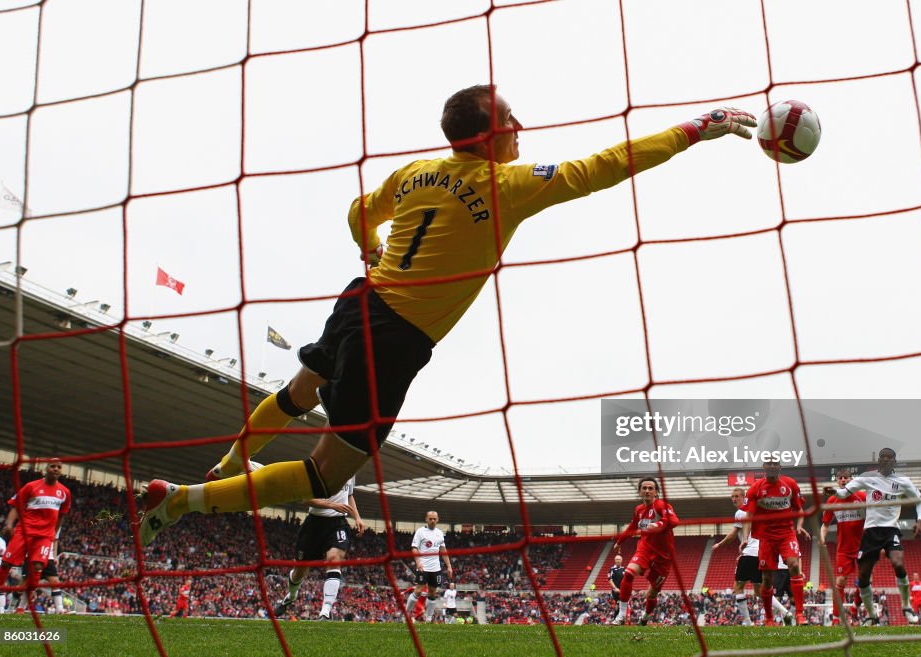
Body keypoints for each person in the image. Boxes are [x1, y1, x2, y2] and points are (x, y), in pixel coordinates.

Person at [137, 85, 757, 546]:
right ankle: (188, 499)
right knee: (326, 477)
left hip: (358, 300)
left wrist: (371, 248)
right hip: (395, 337)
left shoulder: (416, 171)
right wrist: (698, 127)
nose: (521, 124)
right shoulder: (507, 184)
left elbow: (358, 211)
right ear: (489, 134)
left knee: (299, 390)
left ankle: (223, 462)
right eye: (510, 116)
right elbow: (605, 165)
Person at [834, 447, 921, 626]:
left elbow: (919, 503)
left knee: (898, 563)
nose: (885, 460)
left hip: (891, 529)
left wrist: (920, 521)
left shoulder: (903, 481)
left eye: (889, 457)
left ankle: (906, 606)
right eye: (882, 457)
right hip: (870, 531)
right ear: (878, 461)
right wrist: (833, 491)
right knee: (864, 576)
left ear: (894, 462)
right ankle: (871, 615)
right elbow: (844, 493)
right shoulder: (868, 478)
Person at [272, 475, 364, 619]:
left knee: (334, 560)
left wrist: (357, 517)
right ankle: (291, 595)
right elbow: (305, 499)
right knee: (299, 571)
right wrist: (332, 505)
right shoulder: (320, 468)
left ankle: (325, 612)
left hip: (338, 523)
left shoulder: (351, 469)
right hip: (314, 524)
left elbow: (350, 495)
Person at [0, 459, 71, 614]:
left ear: (61, 471)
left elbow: (62, 515)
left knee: (37, 568)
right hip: (24, 532)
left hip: (44, 536)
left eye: (59, 467)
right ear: (45, 469)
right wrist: (9, 524)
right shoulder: (31, 486)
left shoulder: (65, 492)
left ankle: (22, 606)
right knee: (6, 564)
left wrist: (53, 532)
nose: (55, 469)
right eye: (52, 466)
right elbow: (16, 506)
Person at [741, 459, 811, 626]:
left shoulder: (790, 484)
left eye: (775, 463)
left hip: (787, 534)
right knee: (767, 579)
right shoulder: (755, 489)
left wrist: (800, 526)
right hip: (766, 538)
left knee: (794, 565)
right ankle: (769, 618)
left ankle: (800, 615)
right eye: (768, 463)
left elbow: (799, 508)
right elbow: (748, 517)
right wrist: (745, 538)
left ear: (779, 467)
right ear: (763, 467)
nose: (772, 466)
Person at [711, 487, 792, 626]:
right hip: (761, 553)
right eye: (732, 496)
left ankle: (748, 623)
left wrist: (720, 544)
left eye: (737, 496)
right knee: (760, 591)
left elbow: (733, 534)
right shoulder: (757, 511)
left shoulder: (741, 512)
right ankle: (785, 613)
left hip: (750, 553)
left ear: (744, 497)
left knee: (737, 587)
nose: (734, 499)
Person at [611, 477, 680, 626]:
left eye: (650, 488)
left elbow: (674, 521)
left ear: (656, 492)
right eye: (644, 488)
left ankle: (646, 617)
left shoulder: (662, 505)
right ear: (639, 491)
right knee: (628, 574)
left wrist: (658, 524)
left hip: (663, 556)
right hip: (645, 548)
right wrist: (619, 541)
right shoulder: (639, 510)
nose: (647, 491)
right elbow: (632, 527)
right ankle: (621, 615)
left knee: (652, 593)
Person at [819, 468, 866, 625]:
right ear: (837, 481)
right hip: (843, 549)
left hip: (863, 546)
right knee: (840, 581)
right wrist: (821, 538)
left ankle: (854, 608)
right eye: (840, 478)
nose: (843, 480)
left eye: (846, 478)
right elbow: (825, 525)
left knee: (866, 580)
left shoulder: (862, 496)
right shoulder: (832, 501)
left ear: (851, 479)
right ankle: (837, 618)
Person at [407, 511, 452, 622]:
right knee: (418, 590)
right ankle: (407, 614)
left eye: (434, 519)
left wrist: (449, 566)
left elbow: (443, 550)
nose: (432, 521)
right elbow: (414, 548)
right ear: (426, 519)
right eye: (430, 518)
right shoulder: (420, 532)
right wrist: (418, 562)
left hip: (436, 568)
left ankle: (428, 617)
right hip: (423, 567)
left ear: (437, 520)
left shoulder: (439, 533)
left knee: (432, 592)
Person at [11, 540, 65, 614]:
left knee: (55, 582)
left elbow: (55, 539)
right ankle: (14, 607)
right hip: (33, 553)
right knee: (25, 585)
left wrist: (54, 556)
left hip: (48, 556)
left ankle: (60, 610)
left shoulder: (54, 528)